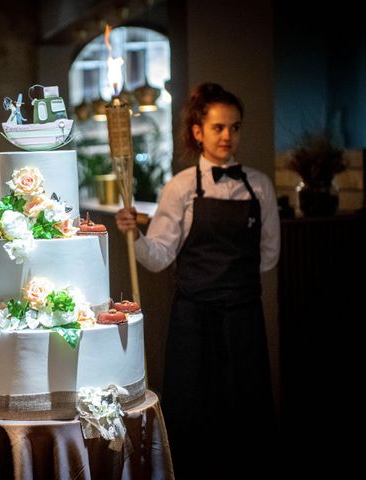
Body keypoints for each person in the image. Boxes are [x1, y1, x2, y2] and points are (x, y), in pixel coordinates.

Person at [115, 83, 280, 479]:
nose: (227, 136)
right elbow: (158, 258)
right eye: (219, 127)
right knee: (194, 415)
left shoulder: (259, 186)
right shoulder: (181, 187)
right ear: (198, 131)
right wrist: (134, 236)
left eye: (234, 128)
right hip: (194, 322)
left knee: (246, 416)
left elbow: (269, 254)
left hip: (243, 322)